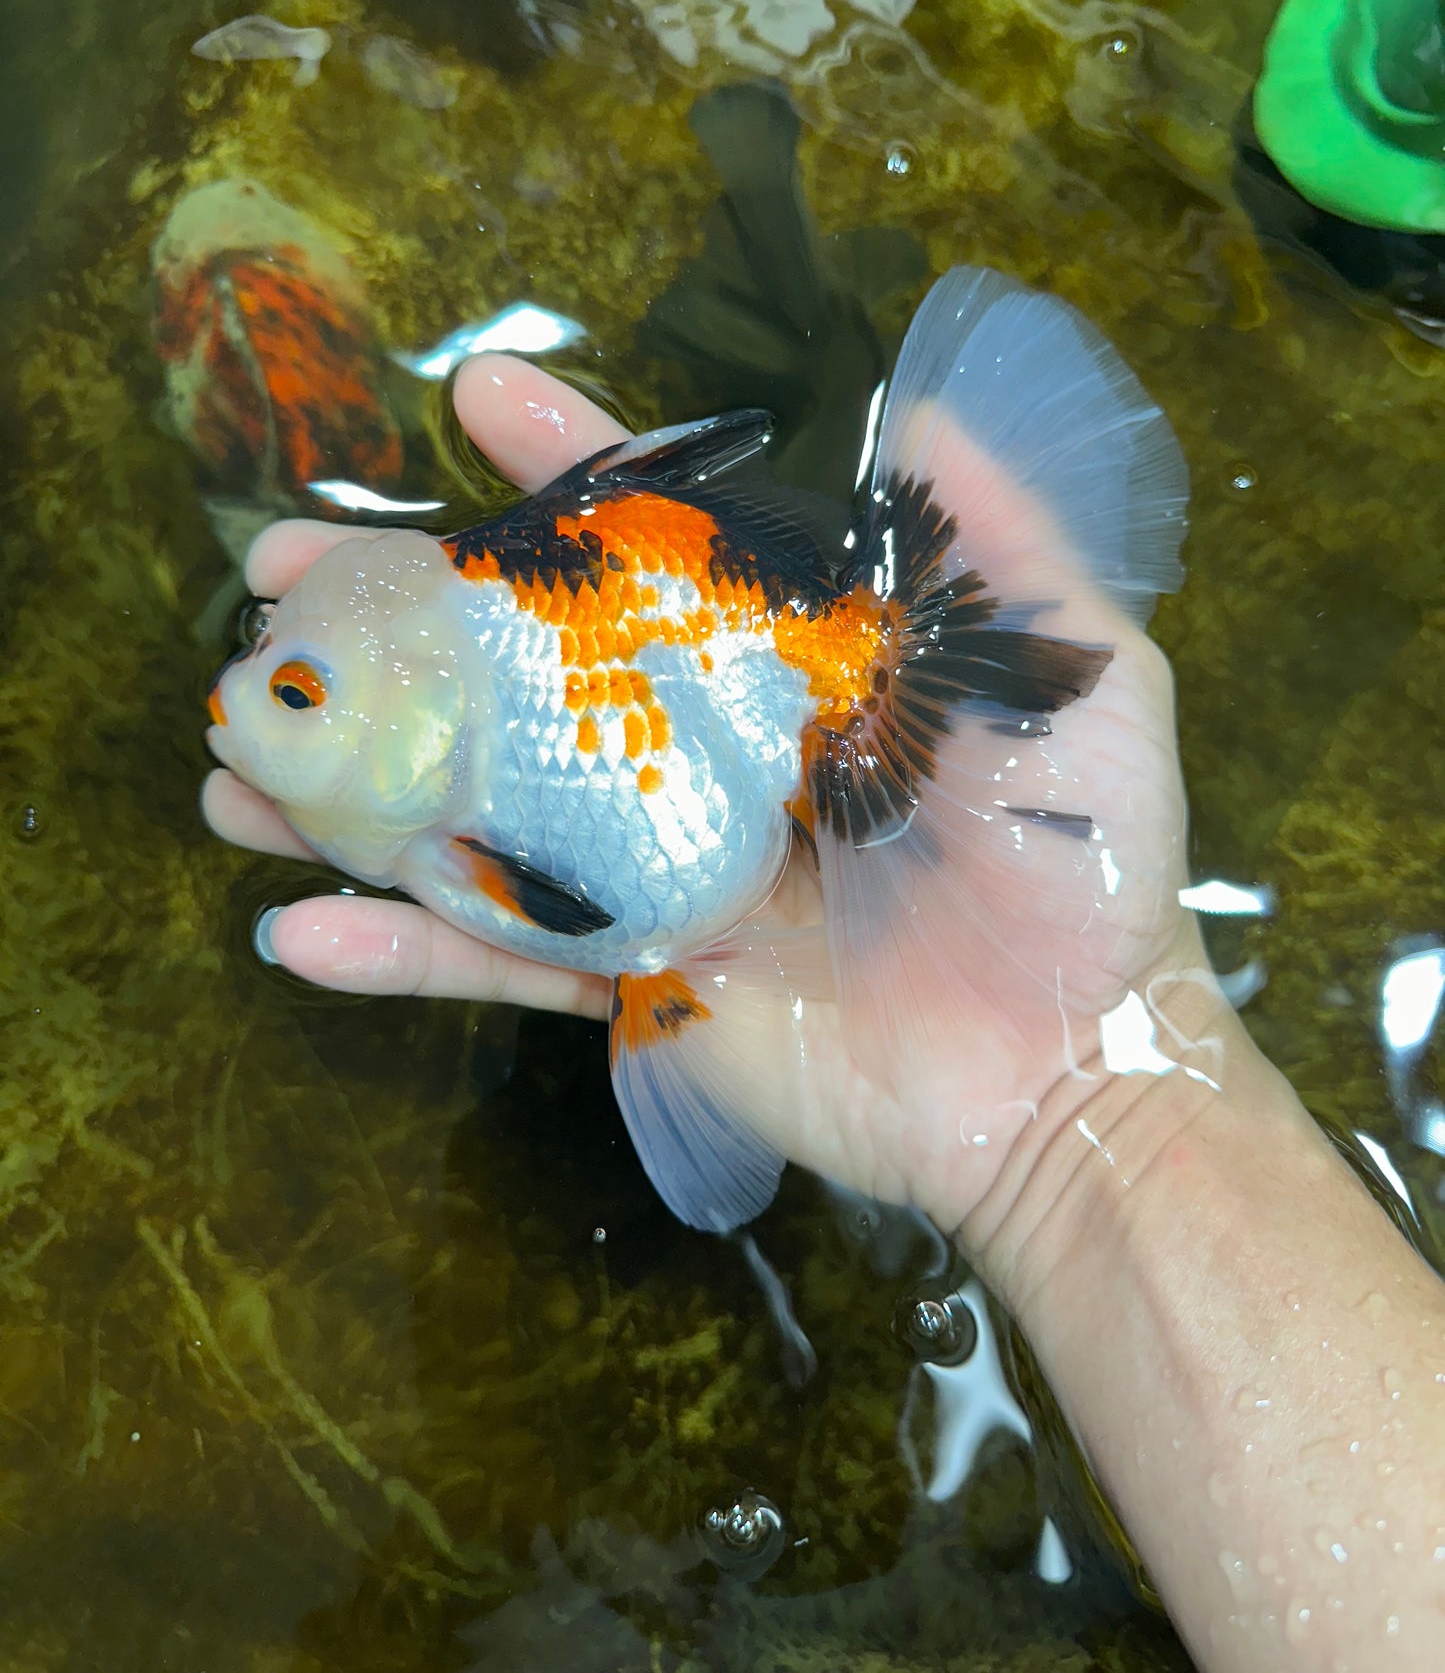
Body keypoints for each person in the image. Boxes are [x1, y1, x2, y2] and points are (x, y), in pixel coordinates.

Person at [203, 354, 1445, 1672]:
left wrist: (1087, 1069)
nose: (245, 698)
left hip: (737, 807)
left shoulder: (478, 775)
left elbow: (565, 903)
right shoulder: (443, 752)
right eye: (270, 664)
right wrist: (1091, 1110)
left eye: (294, 692)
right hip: (698, 910)